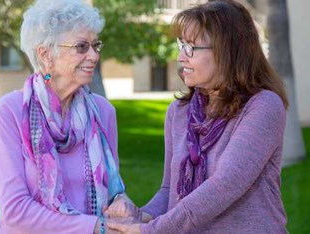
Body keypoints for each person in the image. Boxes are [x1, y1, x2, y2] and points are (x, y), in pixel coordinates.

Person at [106, 0, 289, 233]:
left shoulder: (263, 106)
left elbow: (225, 185)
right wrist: (137, 216)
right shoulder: (179, 112)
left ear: (227, 52)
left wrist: (151, 230)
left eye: (191, 47)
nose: (181, 57)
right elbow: (169, 191)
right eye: (181, 45)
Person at [0, 0, 129, 233]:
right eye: (82, 46)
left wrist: (121, 202)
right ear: (46, 55)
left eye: (96, 45)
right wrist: (93, 227)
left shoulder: (103, 112)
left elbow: (113, 189)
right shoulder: (8, 112)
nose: (94, 56)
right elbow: (14, 209)